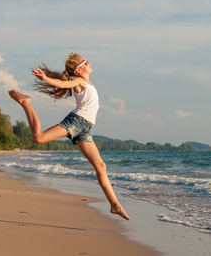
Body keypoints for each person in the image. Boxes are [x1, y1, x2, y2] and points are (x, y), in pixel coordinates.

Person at [8, 53, 131, 220]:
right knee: (39, 137)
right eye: (86, 61)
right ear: (78, 69)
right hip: (76, 122)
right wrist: (45, 78)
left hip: (84, 128)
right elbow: (62, 84)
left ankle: (115, 205)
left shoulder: (87, 83)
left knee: (101, 166)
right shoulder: (79, 82)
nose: (89, 62)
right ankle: (25, 102)